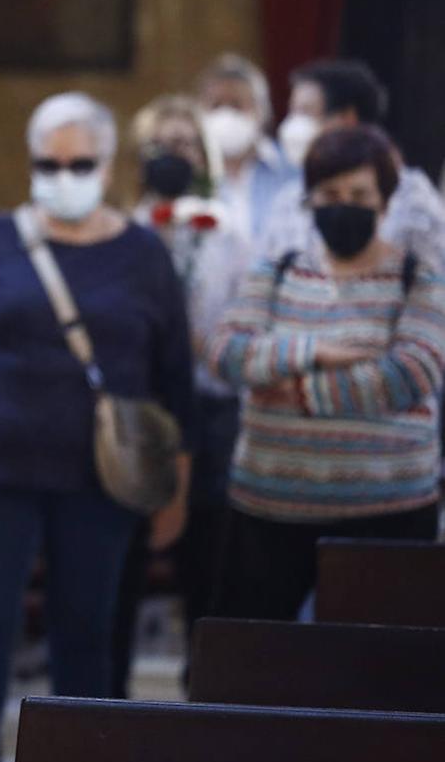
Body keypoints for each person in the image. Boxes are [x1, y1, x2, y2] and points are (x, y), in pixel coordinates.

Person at [0, 92, 194, 762]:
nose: (62, 173)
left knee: (86, 626)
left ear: (104, 165)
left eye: (78, 162)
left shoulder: (141, 254)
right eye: (48, 161)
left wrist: (177, 487)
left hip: (98, 476)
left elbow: (174, 381)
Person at [208, 125, 445, 621]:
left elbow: (411, 372)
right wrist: (318, 350)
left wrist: (291, 388)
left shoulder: (416, 277)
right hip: (268, 508)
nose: (344, 204)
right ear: (309, 199)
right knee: (248, 666)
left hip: (387, 513)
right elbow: (227, 353)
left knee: (376, 674)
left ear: (385, 200)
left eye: (360, 194)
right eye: (331, 193)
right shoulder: (277, 269)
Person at [111, 95, 252, 695]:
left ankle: (206, 707)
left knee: (208, 573)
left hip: (210, 410)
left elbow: (246, 322)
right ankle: (102, 706)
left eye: (187, 145)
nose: (176, 155)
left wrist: (201, 341)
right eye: (162, 145)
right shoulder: (120, 230)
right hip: (136, 417)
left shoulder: (229, 233)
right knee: (119, 570)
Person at [261, 59, 445, 272]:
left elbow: (436, 281)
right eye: (292, 112)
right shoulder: (290, 197)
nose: (292, 125)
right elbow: (265, 273)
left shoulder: (410, 196)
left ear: (347, 118)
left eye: (306, 112)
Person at [196, 53, 298, 242]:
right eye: (216, 105)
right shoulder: (192, 174)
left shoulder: (291, 169)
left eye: (236, 104)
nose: (226, 114)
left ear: (261, 110)